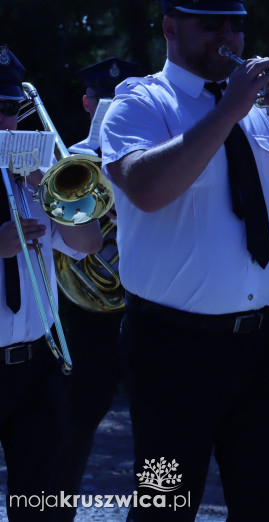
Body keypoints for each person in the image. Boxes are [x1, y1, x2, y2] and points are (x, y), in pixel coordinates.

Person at [100, 0, 269, 521]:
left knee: (265, 505)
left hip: (266, 341)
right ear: (170, 28)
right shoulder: (140, 103)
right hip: (172, 346)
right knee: (164, 507)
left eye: (234, 25)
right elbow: (147, 188)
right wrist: (229, 107)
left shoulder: (266, 110)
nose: (227, 39)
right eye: (209, 25)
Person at [0, 45, 102, 521]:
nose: (3, 123)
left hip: (37, 364)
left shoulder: (28, 181)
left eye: (8, 109)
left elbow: (86, 243)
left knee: (42, 506)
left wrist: (48, 180)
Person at [60, 57, 146, 500]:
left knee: (157, 427)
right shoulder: (67, 158)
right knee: (75, 423)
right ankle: (56, 508)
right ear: (86, 102)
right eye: (101, 98)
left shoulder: (150, 153)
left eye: (121, 98)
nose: (110, 106)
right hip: (88, 315)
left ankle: (158, 506)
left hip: (149, 307)